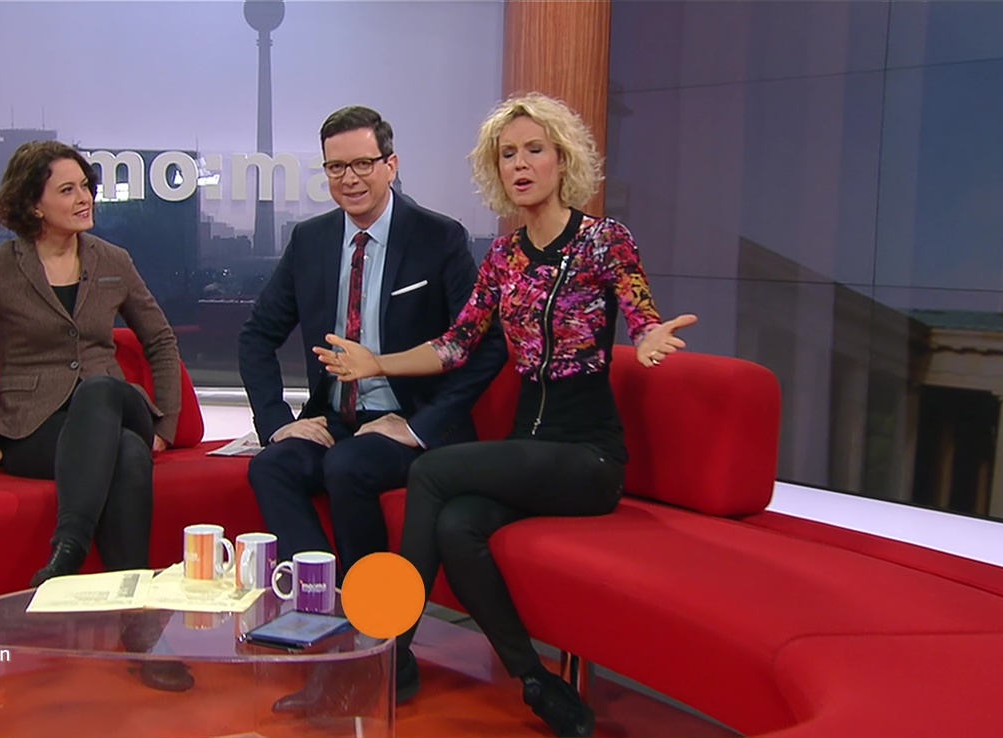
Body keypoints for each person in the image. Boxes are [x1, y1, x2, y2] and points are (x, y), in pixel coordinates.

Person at [316, 93, 698, 738]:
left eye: (534, 150)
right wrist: (377, 363)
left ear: (562, 160)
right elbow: (456, 345)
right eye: (508, 154)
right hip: (530, 444)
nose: (520, 164)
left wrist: (651, 335)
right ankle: (535, 681)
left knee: (432, 472)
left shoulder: (604, 241)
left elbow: (641, 313)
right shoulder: (503, 256)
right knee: (458, 524)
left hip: (587, 455)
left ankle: (389, 651)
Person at [238, 105, 508, 712]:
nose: (350, 179)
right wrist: (278, 424)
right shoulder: (310, 241)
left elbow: (485, 347)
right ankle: (329, 624)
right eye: (336, 168)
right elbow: (256, 336)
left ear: (391, 164)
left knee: (348, 467)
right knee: (272, 466)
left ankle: (387, 654)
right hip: (338, 421)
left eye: (363, 163)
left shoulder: (438, 238)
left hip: (413, 425)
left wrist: (419, 426)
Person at [0, 141, 191, 691]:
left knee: (104, 392)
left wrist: (166, 425)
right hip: (35, 428)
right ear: (33, 204)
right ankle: (141, 631)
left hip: (118, 408)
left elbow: (160, 340)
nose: (85, 198)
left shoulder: (113, 261)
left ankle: (67, 553)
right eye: (68, 190)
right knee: (127, 456)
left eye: (86, 186)